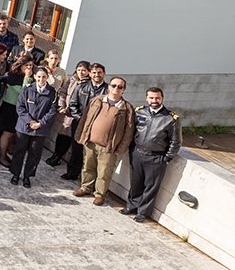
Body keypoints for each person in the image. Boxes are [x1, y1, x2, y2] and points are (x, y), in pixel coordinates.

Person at [124, 87, 181, 223]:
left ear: (162, 98)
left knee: (150, 187)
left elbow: (176, 141)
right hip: (137, 154)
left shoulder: (171, 118)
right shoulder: (139, 112)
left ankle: (143, 212)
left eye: (157, 98)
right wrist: (132, 149)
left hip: (156, 157)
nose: (154, 100)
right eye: (151, 98)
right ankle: (131, 206)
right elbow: (132, 132)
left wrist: (167, 158)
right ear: (146, 98)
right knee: (135, 182)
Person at [74, 77, 133, 206]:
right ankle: (85, 188)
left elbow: (128, 131)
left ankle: (100, 194)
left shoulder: (127, 108)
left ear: (124, 90)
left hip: (109, 147)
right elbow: (85, 118)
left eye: (120, 87)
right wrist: (81, 136)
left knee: (104, 171)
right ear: (109, 86)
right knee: (87, 166)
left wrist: (121, 148)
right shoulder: (97, 100)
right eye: (114, 85)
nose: (116, 88)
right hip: (91, 142)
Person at [8, 65, 57, 188]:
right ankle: (15, 174)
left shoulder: (52, 92)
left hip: (40, 129)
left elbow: (52, 111)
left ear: (47, 77)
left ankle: (27, 176)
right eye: (39, 77)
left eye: (44, 77)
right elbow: (20, 107)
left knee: (34, 154)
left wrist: (40, 123)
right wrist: (29, 121)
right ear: (34, 76)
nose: (41, 79)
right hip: (24, 127)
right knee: (19, 151)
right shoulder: (27, 89)